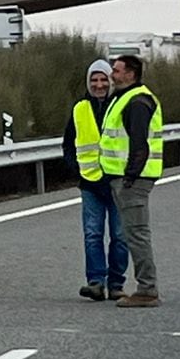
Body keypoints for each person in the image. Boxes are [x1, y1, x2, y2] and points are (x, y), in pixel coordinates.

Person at [104, 53, 163, 307]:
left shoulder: (137, 101)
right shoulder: (125, 98)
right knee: (132, 233)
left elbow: (139, 143)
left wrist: (130, 176)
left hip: (133, 180)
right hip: (124, 177)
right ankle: (145, 287)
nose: (112, 75)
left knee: (137, 234)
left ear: (131, 74)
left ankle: (147, 290)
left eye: (116, 71)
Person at [70, 59, 129, 301]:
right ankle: (96, 281)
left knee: (120, 235)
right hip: (90, 182)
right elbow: (69, 143)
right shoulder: (80, 108)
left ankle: (116, 283)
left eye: (103, 78)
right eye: (94, 80)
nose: (99, 84)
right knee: (92, 234)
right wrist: (76, 170)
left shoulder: (122, 105)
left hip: (118, 181)